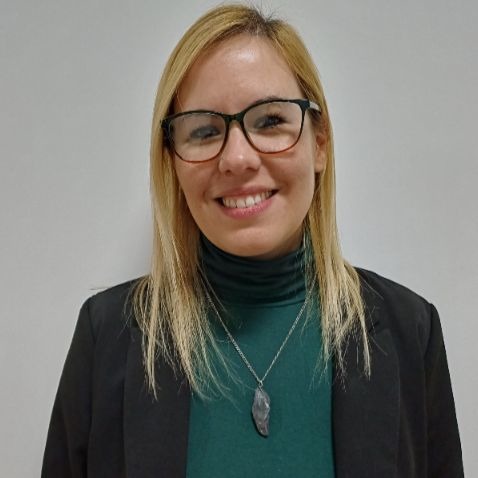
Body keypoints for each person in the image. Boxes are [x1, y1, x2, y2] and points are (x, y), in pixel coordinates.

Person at [42, 4, 463, 477]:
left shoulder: (410, 332)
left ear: (319, 143)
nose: (237, 158)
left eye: (269, 121)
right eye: (204, 130)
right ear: (172, 161)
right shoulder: (107, 337)